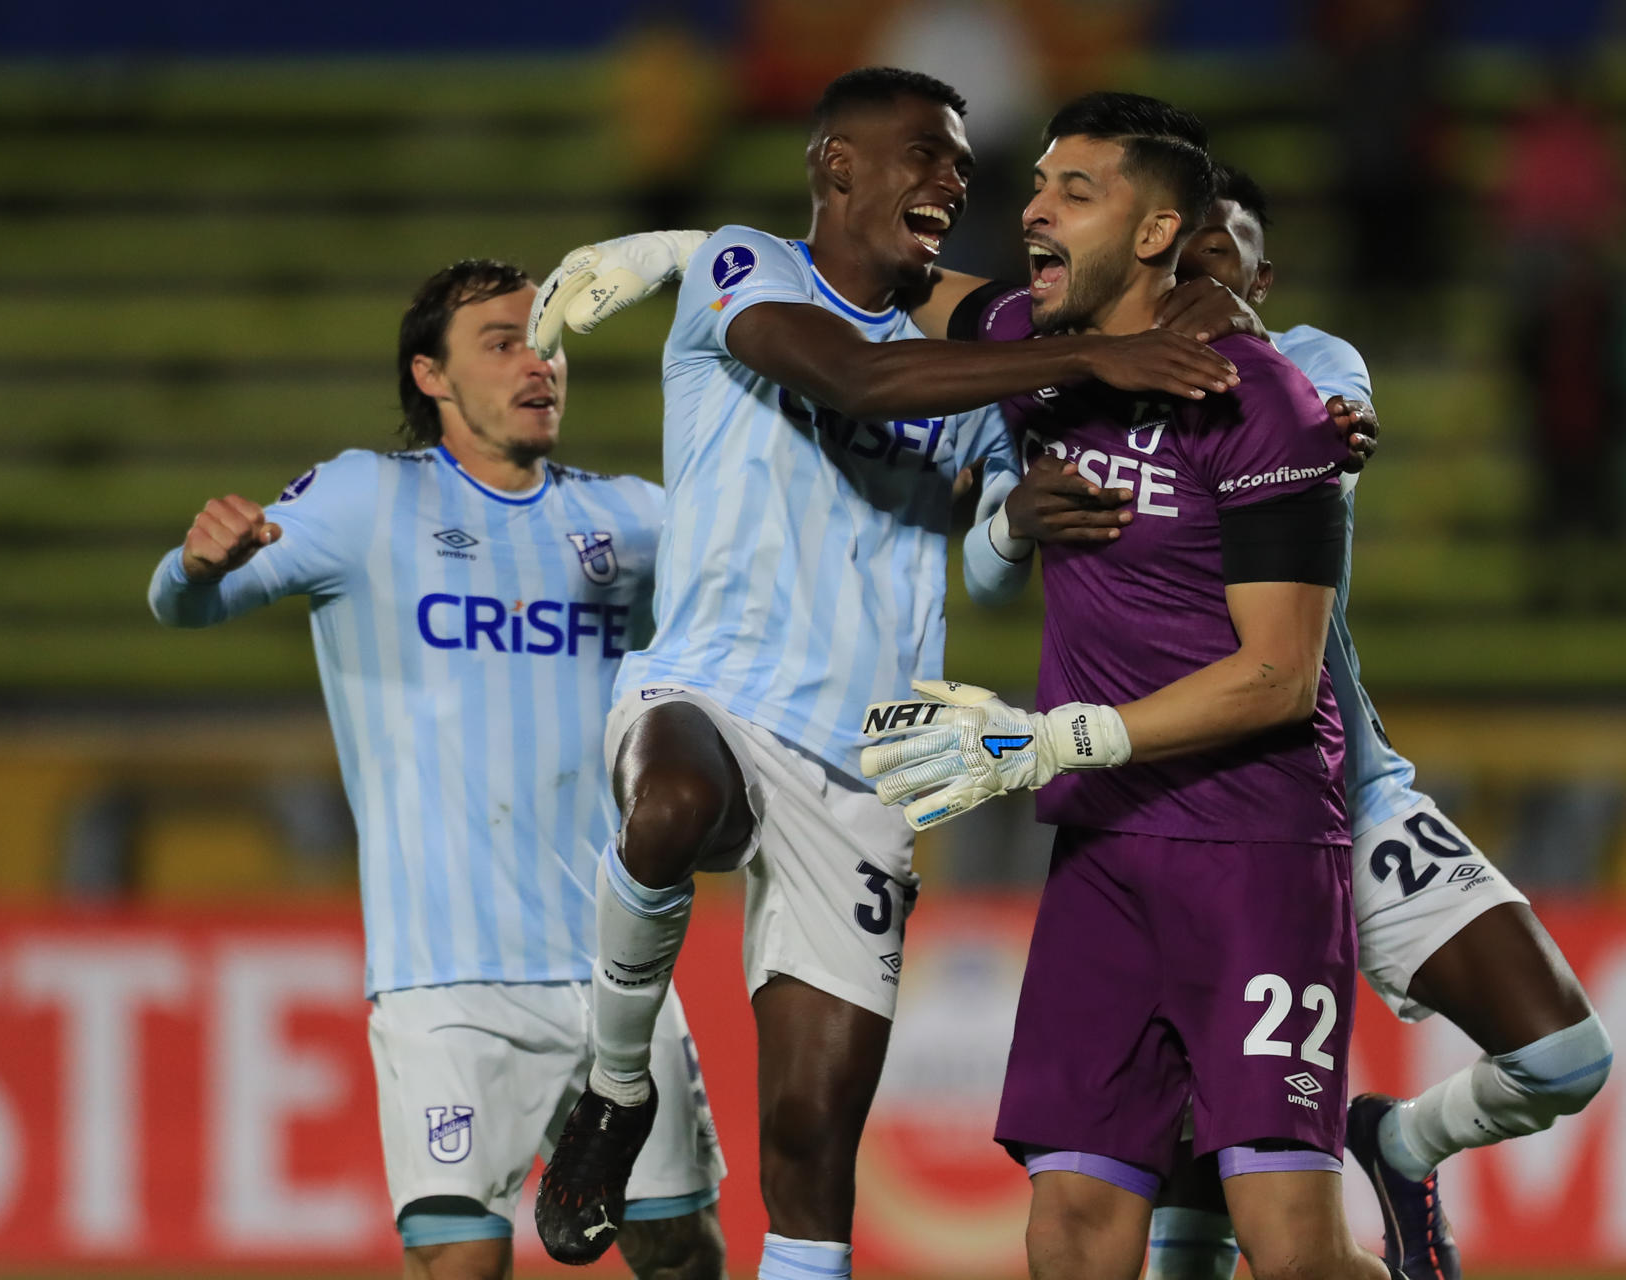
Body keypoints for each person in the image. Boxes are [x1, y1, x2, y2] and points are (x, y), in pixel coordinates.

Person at [524, 68, 1250, 1277]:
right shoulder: (745, 269)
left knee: (811, 1148)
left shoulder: (973, 369)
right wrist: (1091, 364)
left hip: (867, 761)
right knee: (672, 803)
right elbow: (856, 376)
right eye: (923, 152)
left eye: (963, 163)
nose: (952, 179)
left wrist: (1025, 510)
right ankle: (611, 1092)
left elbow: (990, 548)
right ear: (836, 165)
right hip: (709, 688)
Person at [987, 160, 1616, 1280]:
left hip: (1329, 797)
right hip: (1171, 828)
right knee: (1198, 1233)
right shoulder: (1080, 381)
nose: (1198, 276)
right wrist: (1007, 522)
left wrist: (1315, 423)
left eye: (1222, 257)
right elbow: (1002, 552)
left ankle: (1404, 1140)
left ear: (1258, 276)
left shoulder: (1300, 370)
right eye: (1184, 255)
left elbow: (1327, 428)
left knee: (1564, 1051)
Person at [861, 92, 1393, 1280]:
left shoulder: (1262, 403)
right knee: (1074, 1231)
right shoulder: (1038, 353)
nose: (1034, 207)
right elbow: (893, 285)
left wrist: (1060, 737)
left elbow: (1275, 674)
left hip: (1252, 855)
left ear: (1156, 233)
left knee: (1292, 1245)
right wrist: (701, 262)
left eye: (1074, 191)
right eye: (1040, 184)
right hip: (1104, 858)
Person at [147, 260, 728, 1280]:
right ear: (431, 374)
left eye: (548, 341)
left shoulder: (632, 521)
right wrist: (197, 566)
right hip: (444, 978)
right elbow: (182, 608)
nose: (538, 363)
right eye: (503, 342)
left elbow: (764, 589)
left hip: (617, 976)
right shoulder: (367, 499)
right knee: (458, 1259)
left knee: (681, 1252)